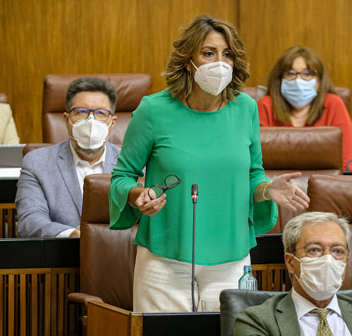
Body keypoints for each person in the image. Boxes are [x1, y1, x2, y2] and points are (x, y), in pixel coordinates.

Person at [109, 16, 310, 313]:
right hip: (164, 260)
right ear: (188, 60)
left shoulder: (246, 108)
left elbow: (253, 175)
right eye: (208, 53)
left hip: (231, 261)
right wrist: (137, 195)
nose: (220, 62)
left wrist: (267, 190)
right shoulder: (153, 110)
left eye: (227, 54)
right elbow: (122, 176)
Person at [234, 212, 352, 335]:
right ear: (291, 262)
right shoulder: (256, 322)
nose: (328, 259)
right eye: (314, 250)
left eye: (337, 251)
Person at [16, 77, 120, 237]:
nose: (90, 121)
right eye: (81, 112)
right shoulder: (37, 163)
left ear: (112, 123)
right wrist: (70, 234)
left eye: (100, 113)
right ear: (66, 120)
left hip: (120, 257)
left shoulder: (134, 163)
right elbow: (30, 221)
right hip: (61, 258)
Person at [257, 46, 352, 170]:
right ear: (280, 79)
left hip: (324, 187)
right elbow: (254, 161)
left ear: (319, 81)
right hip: (274, 185)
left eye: (307, 74)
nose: (298, 80)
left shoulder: (333, 104)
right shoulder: (265, 105)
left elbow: (348, 163)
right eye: (290, 73)